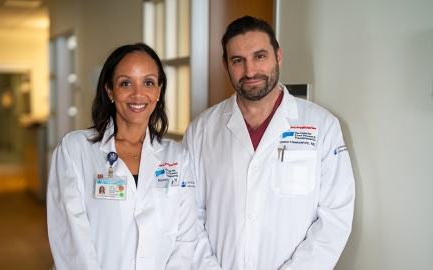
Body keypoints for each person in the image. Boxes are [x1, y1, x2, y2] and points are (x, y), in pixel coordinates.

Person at [183, 16, 355, 270]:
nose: (250, 71)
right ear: (225, 65)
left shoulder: (322, 126)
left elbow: (335, 217)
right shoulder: (200, 131)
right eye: (238, 60)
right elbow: (188, 217)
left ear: (278, 56)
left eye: (259, 56)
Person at [47, 43, 197, 270]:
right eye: (126, 83)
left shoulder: (177, 157)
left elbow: (185, 239)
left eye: (148, 82)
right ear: (110, 90)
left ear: (158, 90)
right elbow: (71, 237)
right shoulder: (75, 149)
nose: (138, 94)